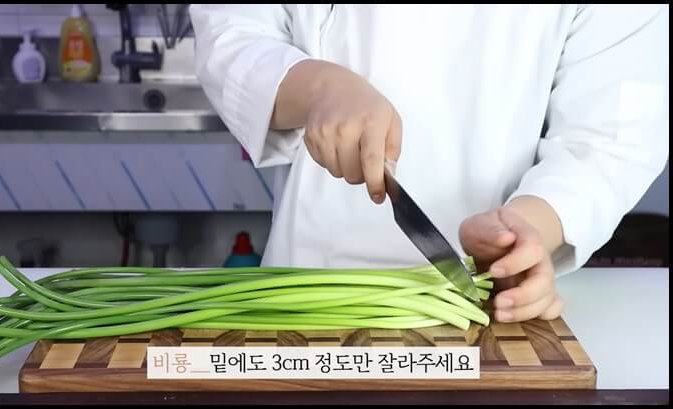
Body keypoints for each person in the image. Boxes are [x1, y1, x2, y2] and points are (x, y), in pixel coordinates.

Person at [189, 5, 669, 323]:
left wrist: (529, 230)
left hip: (484, 305)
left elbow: (612, 132)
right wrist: (318, 87)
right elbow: (231, 34)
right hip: (308, 299)